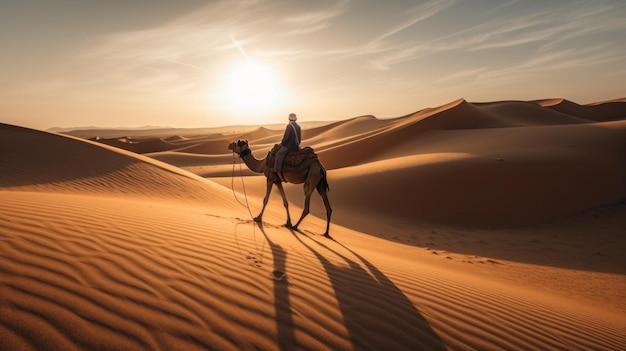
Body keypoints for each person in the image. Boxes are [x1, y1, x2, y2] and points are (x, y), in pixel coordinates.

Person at [274, 113, 301, 180]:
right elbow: (299, 138)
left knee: (278, 154)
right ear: (295, 119)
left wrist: (282, 144)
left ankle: (277, 170)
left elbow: (286, 137)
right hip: (296, 146)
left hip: (289, 146)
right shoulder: (298, 126)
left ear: (289, 119)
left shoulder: (289, 126)